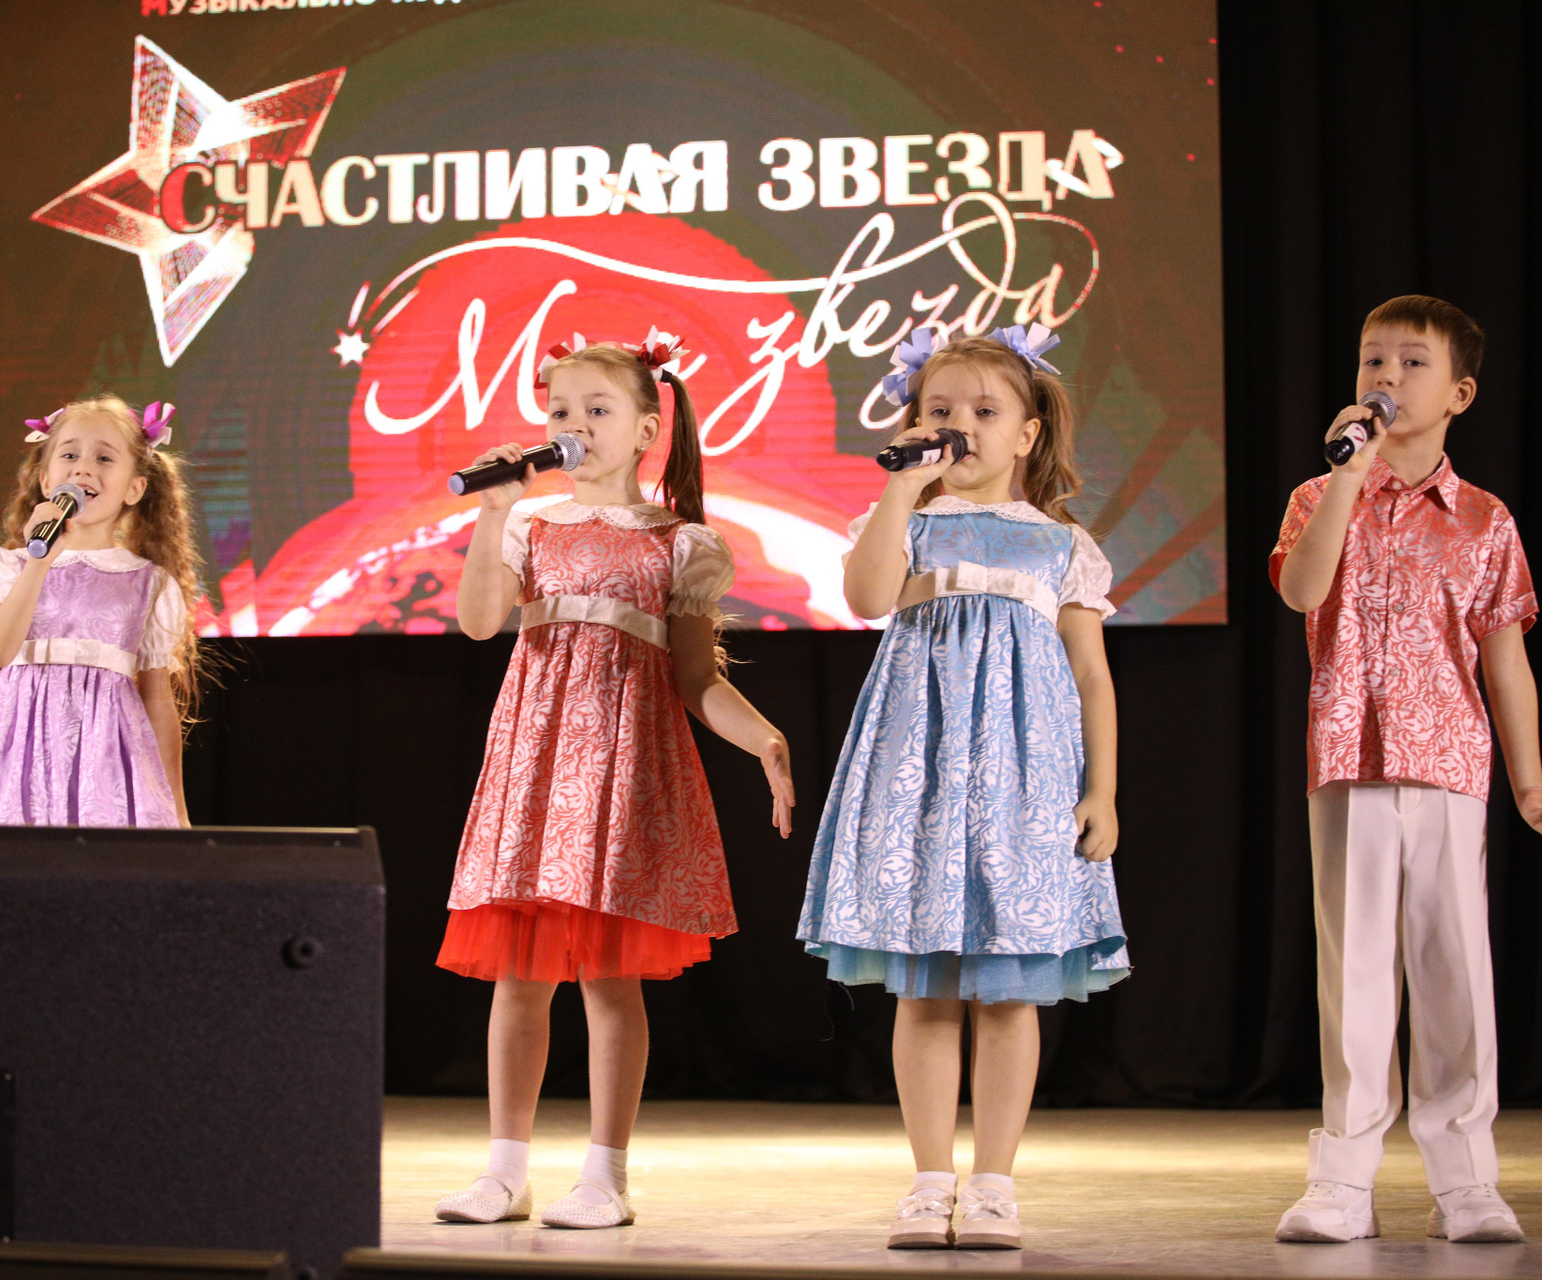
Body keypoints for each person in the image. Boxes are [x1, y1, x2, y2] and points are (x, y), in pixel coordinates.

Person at [433, 332, 795, 1230]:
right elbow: (478, 622)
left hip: (623, 774)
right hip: (535, 767)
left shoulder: (682, 543)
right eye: (561, 410)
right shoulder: (528, 524)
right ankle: (504, 1171)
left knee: (607, 977)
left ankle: (606, 1175)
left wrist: (763, 739)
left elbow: (696, 680)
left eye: (598, 409)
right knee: (519, 974)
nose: (575, 425)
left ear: (645, 429)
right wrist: (492, 513)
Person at [800, 326, 1127, 1251]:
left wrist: (1101, 790)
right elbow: (868, 598)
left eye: (985, 411)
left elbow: (1091, 675)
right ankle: (928, 1179)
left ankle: (993, 1185)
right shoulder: (907, 523)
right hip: (922, 775)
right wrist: (899, 490)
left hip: (1025, 783)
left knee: (1009, 990)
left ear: (1027, 434)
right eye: (940, 409)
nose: (961, 426)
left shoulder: (1062, 544)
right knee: (927, 989)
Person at [1271, 295, 1536, 1245]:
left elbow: (1505, 656)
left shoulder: (1485, 519)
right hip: (1347, 760)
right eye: (1373, 360)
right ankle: (1342, 1178)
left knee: (1454, 965)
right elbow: (1302, 589)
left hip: (1450, 762)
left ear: (1460, 393)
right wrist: (1348, 474)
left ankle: (1466, 1179)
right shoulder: (1318, 496)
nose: (1387, 376)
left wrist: (1529, 773)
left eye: (1412, 362)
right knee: (1355, 974)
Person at [0, 396, 198, 828]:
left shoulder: (150, 583)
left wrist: (174, 805)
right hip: (18, 751)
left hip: (109, 756)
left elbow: (157, 699)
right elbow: (0, 652)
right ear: (47, 480)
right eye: (69, 455)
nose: (83, 469)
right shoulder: (6, 566)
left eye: (104, 458)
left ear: (135, 488)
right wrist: (39, 561)